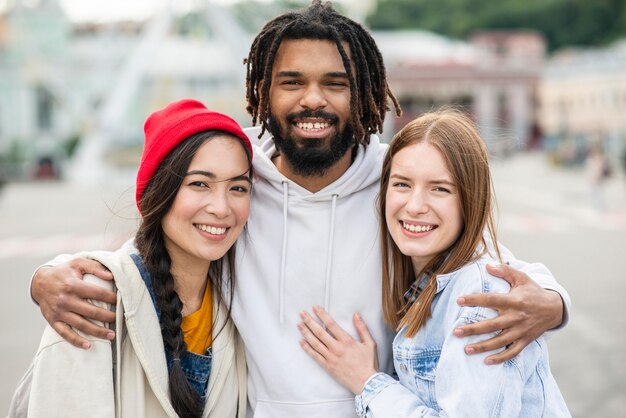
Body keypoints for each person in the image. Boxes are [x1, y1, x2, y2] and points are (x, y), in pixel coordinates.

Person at [28, 2, 570, 417]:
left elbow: (488, 264)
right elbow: (163, 246)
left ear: (365, 95)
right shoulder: (238, 183)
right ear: (262, 91)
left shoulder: (398, 185)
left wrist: (554, 303)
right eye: (292, 82)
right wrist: (48, 276)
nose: (314, 99)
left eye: (336, 84)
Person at [298, 109, 571, 417]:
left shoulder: (480, 300)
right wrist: (555, 302)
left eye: (440, 188)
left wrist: (367, 381)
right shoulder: (428, 274)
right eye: (402, 184)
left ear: (470, 200)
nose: (414, 206)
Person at [11, 99, 251, 418]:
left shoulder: (241, 307)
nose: (222, 208)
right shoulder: (89, 299)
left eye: (238, 187)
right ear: (158, 191)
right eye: (199, 184)